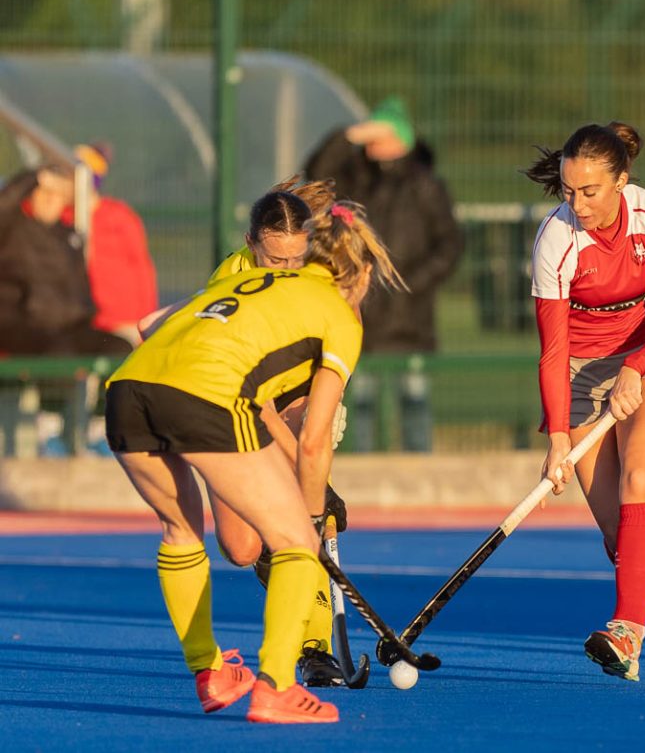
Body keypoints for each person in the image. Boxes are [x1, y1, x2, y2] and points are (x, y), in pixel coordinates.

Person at [104, 200, 402, 723]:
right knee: (292, 539)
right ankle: (277, 686)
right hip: (210, 399)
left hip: (127, 389)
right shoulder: (339, 313)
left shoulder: (244, 281)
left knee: (181, 530)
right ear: (363, 273)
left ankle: (211, 670)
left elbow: (152, 322)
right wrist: (312, 513)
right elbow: (313, 444)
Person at [143, 178, 356, 688]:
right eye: (272, 259)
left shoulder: (320, 275)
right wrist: (312, 477)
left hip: (302, 391)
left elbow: (323, 363)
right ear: (250, 242)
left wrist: (310, 469)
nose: (284, 271)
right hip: (241, 398)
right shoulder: (230, 277)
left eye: (293, 261)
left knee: (301, 511)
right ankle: (289, 560)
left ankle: (313, 643)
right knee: (240, 548)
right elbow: (251, 400)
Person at [523, 121, 645, 682]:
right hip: (580, 374)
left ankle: (625, 631)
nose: (578, 204)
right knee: (618, 537)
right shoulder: (556, 239)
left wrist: (635, 367)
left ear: (621, 181)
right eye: (569, 190)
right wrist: (558, 438)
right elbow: (553, 352)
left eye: (591, 192)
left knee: (639, 481)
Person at [305, 97, 464, 451]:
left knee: (414, 401)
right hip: (361, 313)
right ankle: (361, 474)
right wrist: (351, 135)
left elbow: (449, 245)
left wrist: (408, 285)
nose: (374, 142)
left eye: (383, 133)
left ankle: (419, 475)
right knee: (357, 402)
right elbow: (315, 172)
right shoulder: (355, 178)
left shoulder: (425, 184)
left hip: (409, 319)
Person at [0, 164, 132, 355]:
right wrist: (36, 177)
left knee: (120, 349)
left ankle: (105, 385)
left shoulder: (70, 236)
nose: (50, 199)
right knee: (60, 354)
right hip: (27, 326)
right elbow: (4, 204)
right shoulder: (12, 231)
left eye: (57, 194)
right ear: (32, 194)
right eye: (44, 192)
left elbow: (81, 291)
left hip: (70, 328)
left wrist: (86, 316)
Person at [63, 143, 158, 347]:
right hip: (81, 321)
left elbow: (142, 268)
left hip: (121, 321)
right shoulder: (62, 216)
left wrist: (146, 320)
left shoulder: (119, 217)